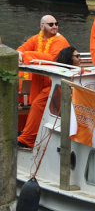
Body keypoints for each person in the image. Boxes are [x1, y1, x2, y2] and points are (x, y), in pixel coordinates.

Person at [17, 15, 69, 148]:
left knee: (37, 105)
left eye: (56, 23)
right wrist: (19, 54)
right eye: (51, 24)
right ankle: (26, 134)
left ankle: (27, 140)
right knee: (32, 103)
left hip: (54, 82)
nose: (55, 26)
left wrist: (27, 55)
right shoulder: (36, 38)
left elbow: (51, 58)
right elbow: (21, 49)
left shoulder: (60, 40)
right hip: (39, 81)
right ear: (42, 26)